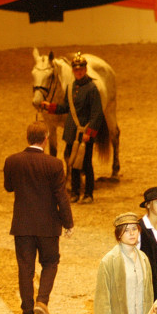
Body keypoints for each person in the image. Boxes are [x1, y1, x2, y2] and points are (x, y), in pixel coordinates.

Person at [3, 121, 74, 314]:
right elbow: (61, 196)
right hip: (48, 225)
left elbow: (8, 187)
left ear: (28, 138)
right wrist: (68, 223)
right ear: (45, 139)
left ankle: (27, 313)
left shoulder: (12, 161)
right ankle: (42, 301)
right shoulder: (54, 164)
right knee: (50, 262)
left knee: (25, 267)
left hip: (22, 224)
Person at [41, 52, 105, 203]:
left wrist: (89, 132)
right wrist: (51, 107)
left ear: (85, 69)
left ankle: (88, 193)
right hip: (72, 131)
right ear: (73, 71)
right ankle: (75, 192)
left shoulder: (92, 88)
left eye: (81, 69)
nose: (79, 72)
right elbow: (66, 107)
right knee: (71, 162)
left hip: (84, 131)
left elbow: (97, 114)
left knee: (86, 163)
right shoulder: (70, 88)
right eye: (76, 70)